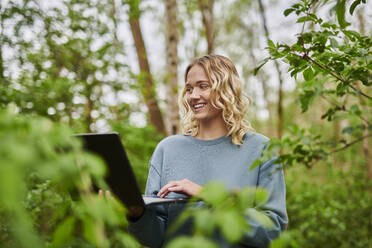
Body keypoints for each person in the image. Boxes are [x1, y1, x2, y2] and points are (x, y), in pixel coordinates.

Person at [127, 55, 288, 248]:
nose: (193, 96)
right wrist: (137, 215)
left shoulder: (261, 149)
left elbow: (273, 231)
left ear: (226, 89)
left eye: (203, 86)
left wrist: (210, 197)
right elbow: (155, 239)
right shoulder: (167, 149)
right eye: (189, 88)